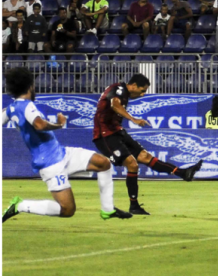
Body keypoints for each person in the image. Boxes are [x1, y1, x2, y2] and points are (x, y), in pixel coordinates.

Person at [0, 68, 133, 224]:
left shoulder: (12, 108)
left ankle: (108, 209)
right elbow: (39, 125)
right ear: (30, 86)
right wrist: (59, 124)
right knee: (67, 210)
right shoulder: (27, 106)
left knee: (103, 163)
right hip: (50, 163)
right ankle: (21, 205)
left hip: (61, 153)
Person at [92, 74, 203, 215]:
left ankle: (183, 173)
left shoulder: (124, 94)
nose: (143, 94)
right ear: (133, 86)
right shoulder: (118, 89)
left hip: (117, 131)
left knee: (144, 156)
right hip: (104, 135)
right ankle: (134, 205)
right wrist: (133, 119)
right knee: (132, 164)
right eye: (142, 90)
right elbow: (114, 104)